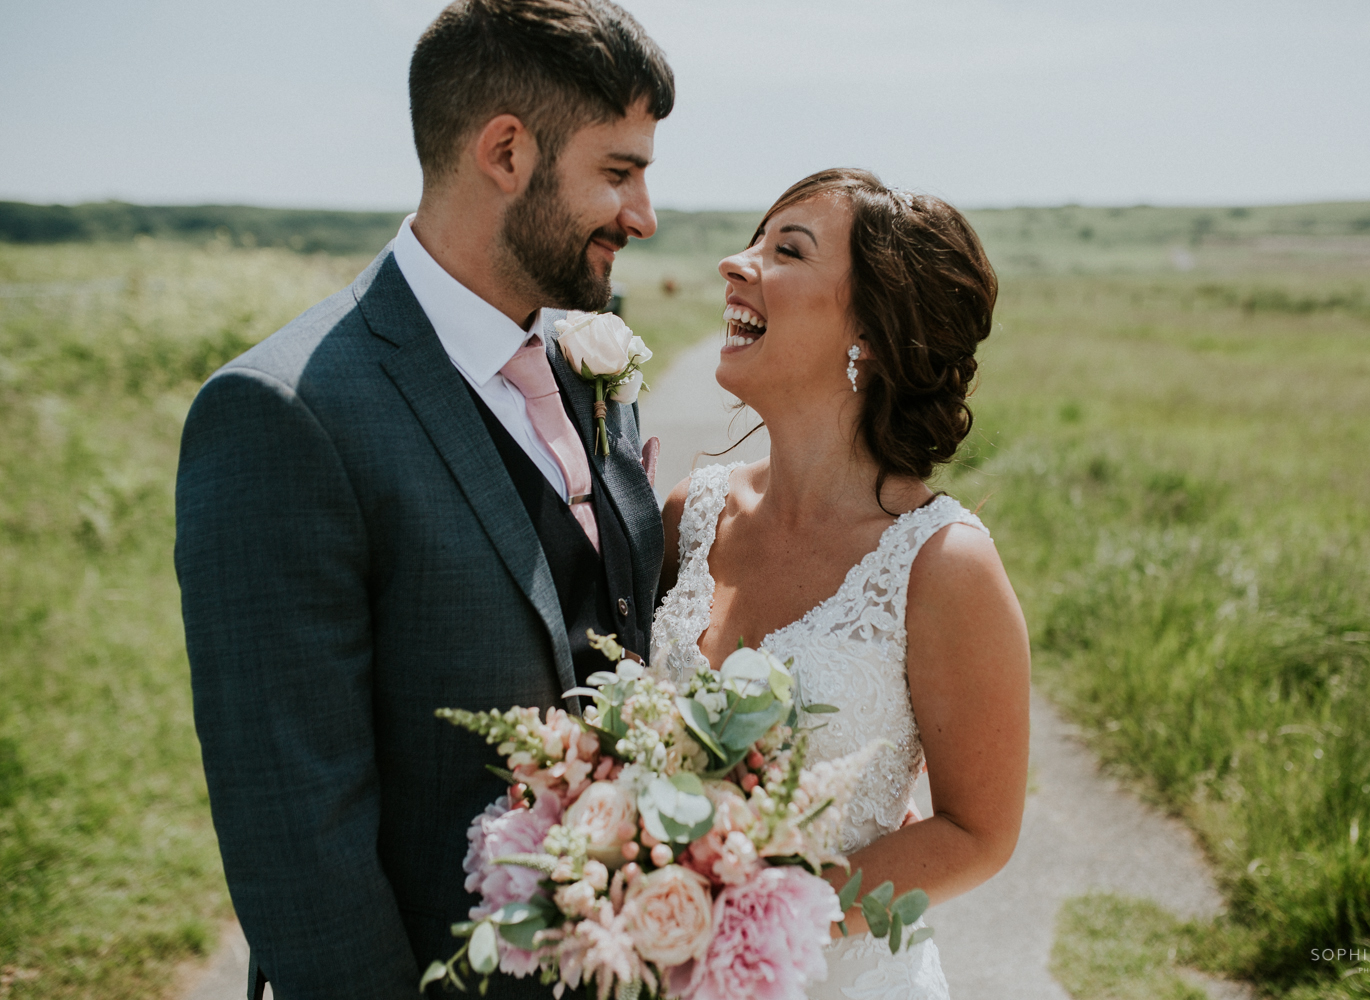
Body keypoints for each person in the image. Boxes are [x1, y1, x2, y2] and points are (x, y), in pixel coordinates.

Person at [174, 2, 672, 997]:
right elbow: (293, 822)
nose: (644, 215)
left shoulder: (583, 359)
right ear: (505, 152)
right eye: (617, 172)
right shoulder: (284, 413)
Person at [651, 168, 1031, 999]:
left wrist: (753, 921)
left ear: (870, 332)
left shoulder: (940, 562)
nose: (734, 263)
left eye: (785, 250)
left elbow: (978, 831)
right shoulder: (691, 512)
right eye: (754, 239)